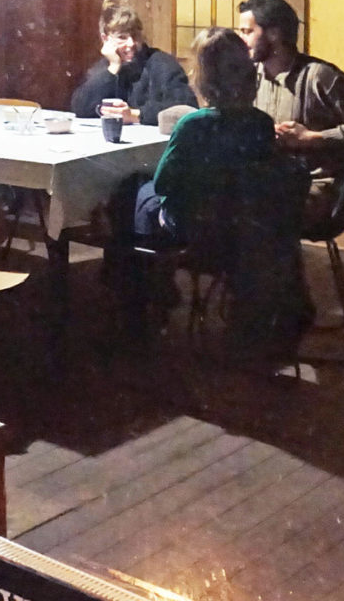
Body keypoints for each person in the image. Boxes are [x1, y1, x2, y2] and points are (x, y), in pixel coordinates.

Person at [118, 28, 311, 357]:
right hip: (239, 227)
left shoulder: (193, 125)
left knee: (133, 190)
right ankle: (154, 289)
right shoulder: (260, 123)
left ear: (204, 77)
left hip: (193, 228)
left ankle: (141, 296)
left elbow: (165, 183)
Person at [237, 0, 344, 237]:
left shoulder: (319, 77)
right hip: (266, 181)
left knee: (253, 212)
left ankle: (275, 262)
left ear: (274, 34)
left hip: (312, 188)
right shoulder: (250, 76)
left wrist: (313, 138)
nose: (241, 39)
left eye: (247, 32)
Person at [68, 3, 195, 125]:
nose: (131, 43)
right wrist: (113, 69)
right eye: (122, 37)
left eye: (135, 36)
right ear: (105, 39)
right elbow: (80, 107)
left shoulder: (162, 63)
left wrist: (135, 115)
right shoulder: (105, 67)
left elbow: (187, 107)